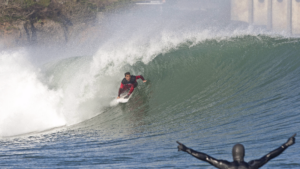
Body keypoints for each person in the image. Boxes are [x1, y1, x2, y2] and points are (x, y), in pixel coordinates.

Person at [177, 134, 296, 169]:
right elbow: (269, 156)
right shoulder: (251, 165)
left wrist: (187, 149)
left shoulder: (226, 166)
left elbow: (206, 158)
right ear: (243, 154)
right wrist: (287, 144)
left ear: (232, 154)